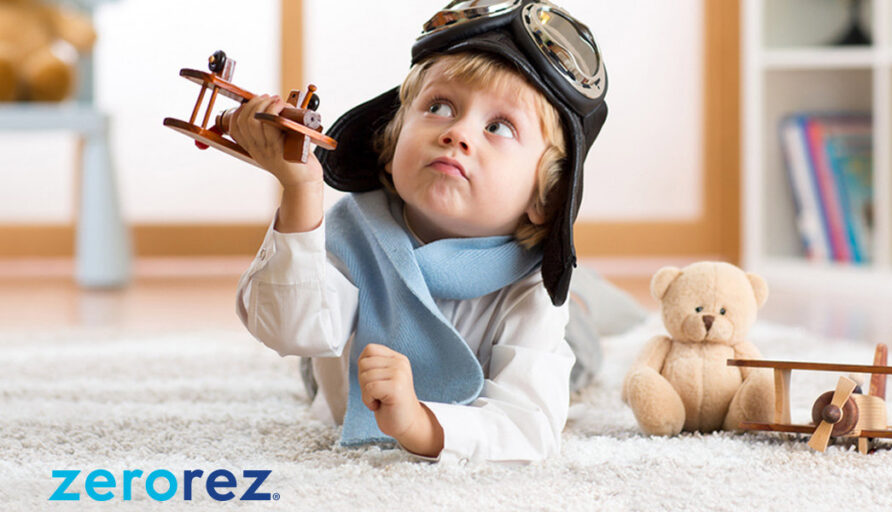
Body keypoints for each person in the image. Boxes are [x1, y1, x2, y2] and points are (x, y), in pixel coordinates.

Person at [234, 1, 627, 463]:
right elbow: (289, 329)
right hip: (339, 361)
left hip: (544, 308)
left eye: (498, 126)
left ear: (545, 197)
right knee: (314, 347)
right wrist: (300, 190)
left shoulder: (531, 291)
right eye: (439, 106)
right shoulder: (350, 234)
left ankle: (583, 297)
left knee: (577, 355)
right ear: (390, 142)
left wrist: (420, 423)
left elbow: (529, 428)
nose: (458, 132)